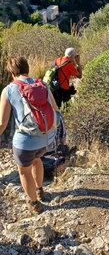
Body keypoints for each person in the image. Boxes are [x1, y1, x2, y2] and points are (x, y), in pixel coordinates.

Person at [0, 56, 59, 214]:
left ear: (12, 73)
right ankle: (40, 190)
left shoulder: (8, 90)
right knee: (37, 159)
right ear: (27, 69)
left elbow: (2, 123)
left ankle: (34, 203)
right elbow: (56, 110)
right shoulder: (43, 85)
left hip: (25, 142)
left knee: (24, 171)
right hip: (46, 138)